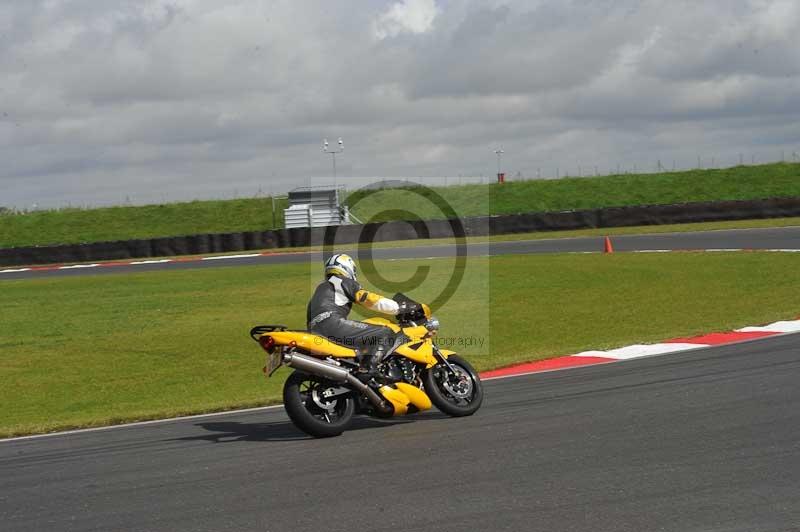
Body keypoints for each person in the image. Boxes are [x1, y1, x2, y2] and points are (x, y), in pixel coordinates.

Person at [307, 253, 400, 375]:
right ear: (347, 269)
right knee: (386, 333)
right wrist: (398, 307)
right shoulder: (341, 281)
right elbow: (369, 299)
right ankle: (367, 369)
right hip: (333, 325)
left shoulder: (319, 290)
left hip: (316, 332)